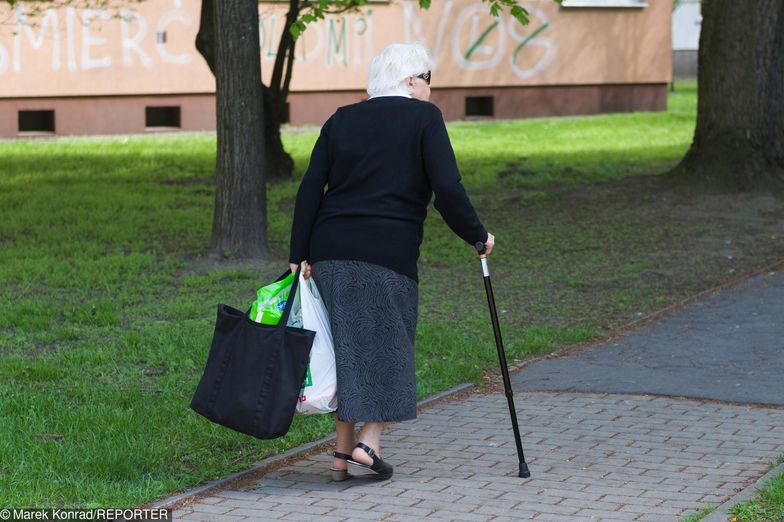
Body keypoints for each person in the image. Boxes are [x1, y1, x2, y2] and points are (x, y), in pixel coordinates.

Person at [288, 42, 494, 481]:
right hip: (387, 251)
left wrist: (297, 253)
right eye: (427, 80)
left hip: (329, 250)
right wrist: (477, 235)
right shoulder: (424, 118)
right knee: (391, 347)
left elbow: (311, 188)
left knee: (346, 344)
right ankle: (370, 442)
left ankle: (341, 454)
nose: (429, 89)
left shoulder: (341, 118)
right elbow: (448, 187)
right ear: (410, 80)